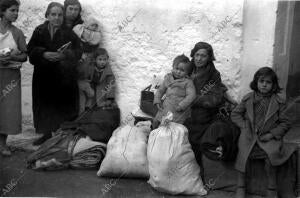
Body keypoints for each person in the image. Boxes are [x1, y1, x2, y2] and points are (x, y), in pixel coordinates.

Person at [231, 67, 297, 198]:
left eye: (268, 82)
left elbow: (286, 122)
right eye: (261, 81)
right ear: (256, 83)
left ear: (274, 85)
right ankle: (240, 186)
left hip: (268, 137)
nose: (264, 85)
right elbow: (235, 114)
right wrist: (244, 126)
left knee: (271, 156)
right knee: (242, 155)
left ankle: (272, 187)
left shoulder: (279, 102)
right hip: (249, 135)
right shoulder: (248, 98)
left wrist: (272, 134)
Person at [27, 2, 82, 145]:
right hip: (43, 77)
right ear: (47, 15)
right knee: (44, 105)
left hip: (63, 77)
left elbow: (78, 52)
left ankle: (61, 137)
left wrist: (65, 55)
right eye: (53, 14)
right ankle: (46, 134)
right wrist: (43, 54)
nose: (57, 17)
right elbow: (30, 51)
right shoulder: (39, 31)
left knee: (62, 105)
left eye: (59, 15)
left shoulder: (69, 33)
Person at [183, 42, 238, 179]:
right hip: (183, 111)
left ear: (209, 57)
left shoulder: (213, 74)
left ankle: (198, 175)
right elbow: (176, 80)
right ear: (193, 55)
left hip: (203, 115)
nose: (199, 59)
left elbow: (215, 98)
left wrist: (193, 99)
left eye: (203, 56)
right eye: (197, 55)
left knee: (196, 139)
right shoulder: (187, 69)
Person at [0, 0, 27, 156]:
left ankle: (3, 145)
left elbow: (24, 55)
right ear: (2, 11)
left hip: (11, 77)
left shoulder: (17, 33)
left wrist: (13, 58)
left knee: (7, 111)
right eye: (12, 10)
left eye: (17, 11)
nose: (16, 13)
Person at [152, 54, 196, 128]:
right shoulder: (168, 78)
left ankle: (168, 138)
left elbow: (191, 95)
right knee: (156, 121)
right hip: (166, 107)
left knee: (172, 127)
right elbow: (160, 90)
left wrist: (182, 105)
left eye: (182, 70)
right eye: (177, 68)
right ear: (173, 67)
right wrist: (157, 100)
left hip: (178, 110)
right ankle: (153, 135)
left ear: (187, 72)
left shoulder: (188, 82)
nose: (178, 72)